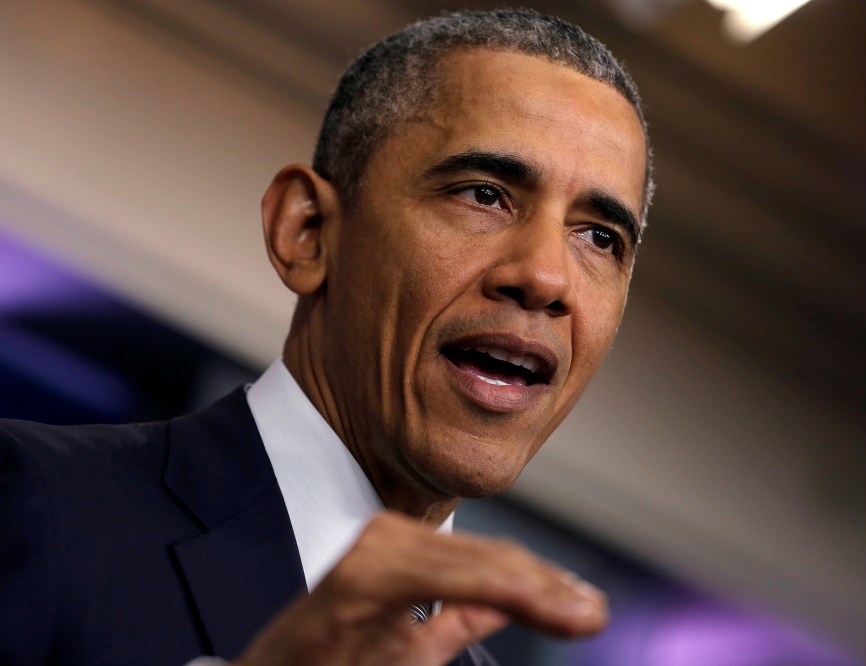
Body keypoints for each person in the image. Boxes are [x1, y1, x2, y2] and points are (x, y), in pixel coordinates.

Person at [0, 8, 653, 666]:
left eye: (601, 237)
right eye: (483, 194)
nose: (545, 277)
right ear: (307, 231)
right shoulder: (26, 501)